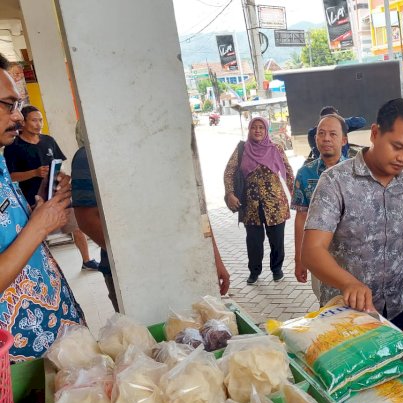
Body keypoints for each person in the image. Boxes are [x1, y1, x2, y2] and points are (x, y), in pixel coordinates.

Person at [71, 123, 230, 311]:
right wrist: (143, 261)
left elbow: (196, 209)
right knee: (147, 335)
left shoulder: (163, 146)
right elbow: (87, 219)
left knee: (199, 329)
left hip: (184, 261)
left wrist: (214, 258)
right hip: (132, 274)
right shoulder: (87, 155)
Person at [301, 98, 403, 335]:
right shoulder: (335, 182)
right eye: (397, 147)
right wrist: (349, 283)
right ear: (375, 133)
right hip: (347, 317)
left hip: (398, 310)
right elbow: (312, 251)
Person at [0, 53, 85, 362]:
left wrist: (43, 202)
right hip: (18, 365)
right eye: (9, 105)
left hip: (54, 343)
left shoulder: (0, 158)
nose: (19, 117)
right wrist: (39, 226)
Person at [3, 105, 100, 271]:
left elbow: (58, 166)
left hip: (57, 194)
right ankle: (38, 270)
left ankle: (86, 260)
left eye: (40, 120)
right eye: (34, 120)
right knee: (36, 236)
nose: (38, 124)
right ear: (24, 122)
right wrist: (34, 173)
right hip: (32, 200)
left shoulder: (49, 141)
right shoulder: (13, 146)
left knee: (76, 228)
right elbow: (10, 177)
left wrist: (61, 176)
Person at [224, 116, 294, 285]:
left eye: (261, 128)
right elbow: (229, 172)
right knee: (254, 242)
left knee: (277, 241)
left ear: (266, 130)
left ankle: (277, 270)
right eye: (254, 127)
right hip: (251, 205)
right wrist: (230, 193)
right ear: (249, 130)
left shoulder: (276, 148)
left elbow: (289, 172)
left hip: (275, 204)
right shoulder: (242, 149)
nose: (257, 130)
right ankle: (254, 272)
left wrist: (294, 195)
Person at [294, 114, 348, 302]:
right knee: (327, 303)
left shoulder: (357, 172)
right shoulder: (304, 174)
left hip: (353, 255)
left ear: (344, 140)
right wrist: (299, 258)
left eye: (333, 134)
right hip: (319, 254)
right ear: (315, 138)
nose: (326, 138)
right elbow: (301, 217)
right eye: (321, 133)